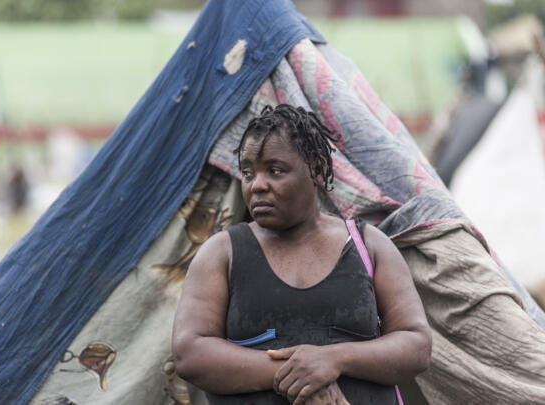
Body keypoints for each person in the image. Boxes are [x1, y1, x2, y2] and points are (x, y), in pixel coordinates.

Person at [172, 104, 431, 404]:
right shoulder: (222, 253)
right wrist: (299, 374)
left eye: (275, 171)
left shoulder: (367, 245)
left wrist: (335, 359)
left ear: (317, 169)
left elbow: (416, 345)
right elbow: (190, 353)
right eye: (247, 173)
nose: (258, 186)